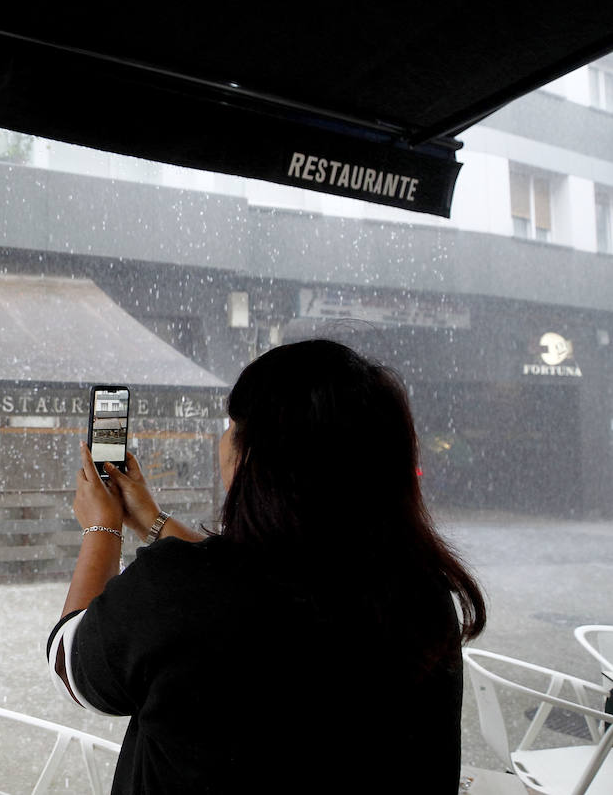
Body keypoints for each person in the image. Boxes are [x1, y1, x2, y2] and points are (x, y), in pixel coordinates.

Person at [47, 340, 486, 794]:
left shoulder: (182, 589)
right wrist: (154, 523)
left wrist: (102, 529)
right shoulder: (420, 596)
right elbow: (271, 588)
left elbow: (70, 662)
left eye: (231, 425)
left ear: (252, 457)